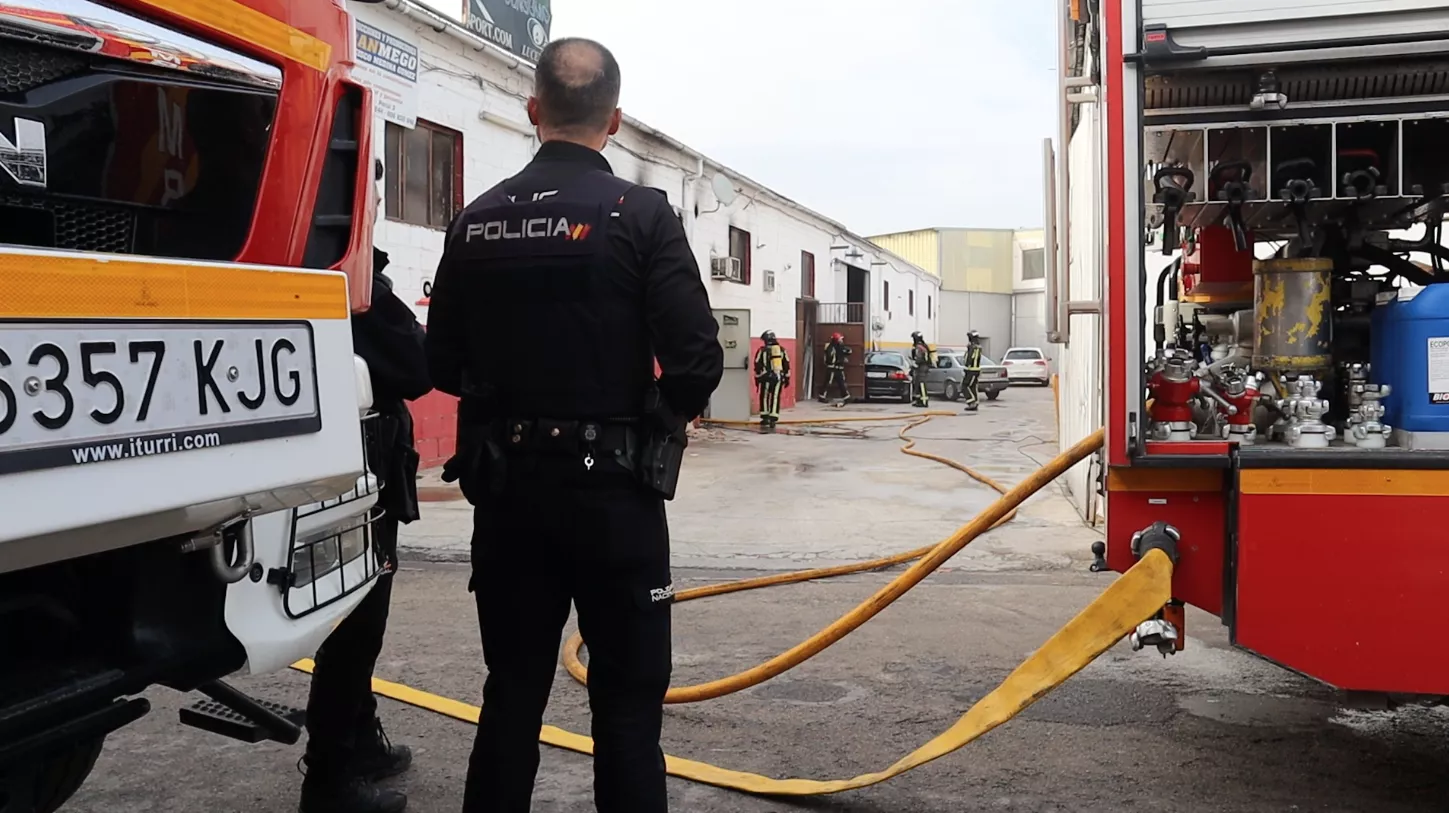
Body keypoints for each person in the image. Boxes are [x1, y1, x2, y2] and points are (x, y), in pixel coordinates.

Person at [423, 37, 723, 813]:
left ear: (532, 112)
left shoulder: (475, 220)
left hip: (512, 495)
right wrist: (650, 421)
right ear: (614, 121)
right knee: (625, 711)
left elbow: (439, 362)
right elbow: (695, 361)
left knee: (512, 695)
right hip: (616, 499)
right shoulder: (639, 214)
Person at [300, 161, 430, 813]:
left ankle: (361, 740)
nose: (376, 202)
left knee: (347, 617)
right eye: (372, 192)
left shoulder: (302, 259)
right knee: (354, 623)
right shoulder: (348, 279)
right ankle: (328, 778)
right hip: (357, 478)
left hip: (326, 471)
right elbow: (415, 365)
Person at [754, 330, 790, 431]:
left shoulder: (762, 350)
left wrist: (758, 376)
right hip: (778, 377)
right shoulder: (782, 350)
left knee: (764, 396)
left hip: (766, 377)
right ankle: (773, 417)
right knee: (775, 396)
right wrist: (786, 378)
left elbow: (757, 363)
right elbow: (786, 363)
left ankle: (765, 417)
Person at [817, 332, 851, 405]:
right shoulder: (830, 347)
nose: (841, 341)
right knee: (828, 383)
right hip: (832, 368)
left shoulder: (840, 346)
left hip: (839, 369)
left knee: (841, 383)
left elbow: (848, 351)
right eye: (840, 339)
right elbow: (831, 357)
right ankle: (821, 396)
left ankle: (846, 397)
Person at [962, 329, 985, 413]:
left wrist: (967, 365)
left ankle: (972, 403)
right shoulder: (978, 346)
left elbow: (969, 358)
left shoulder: (973, 347)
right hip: (975, 370)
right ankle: (975, 402)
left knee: (965, 386)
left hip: (971, 370)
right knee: (973, 386)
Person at [909, 331, 933, 408]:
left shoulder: (919, 347)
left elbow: (918, 358)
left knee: (922, 384)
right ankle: (919, 400)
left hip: (921, 367)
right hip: (923, 366)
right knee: (918, 384)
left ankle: (924, 401)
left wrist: (913, 366)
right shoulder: (924, 345)